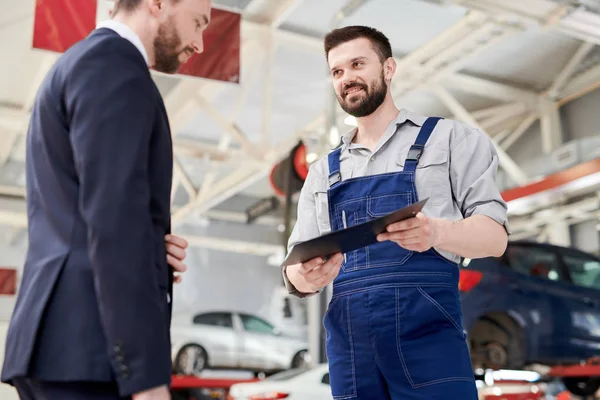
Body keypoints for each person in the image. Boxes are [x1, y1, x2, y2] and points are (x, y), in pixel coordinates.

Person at [282, 26, 510, 400]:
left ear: (388, 68)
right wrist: (306, 275)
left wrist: (437, 233)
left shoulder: (451, 140)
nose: (347, 78)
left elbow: (496, 238)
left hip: (429, 339)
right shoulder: (323, 171)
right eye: (337, 71)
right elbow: (294, 269)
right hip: (352, 347)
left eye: (358, 64)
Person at [1, 0, 212, 399]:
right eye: (198, 22)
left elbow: (80, 210)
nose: (200, 44)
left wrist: (151, 249)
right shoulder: (115, 66)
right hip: (90, 349)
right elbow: (115, 217)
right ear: (158, 4)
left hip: (64, 343)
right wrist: (146, 377)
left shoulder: (81, 63)